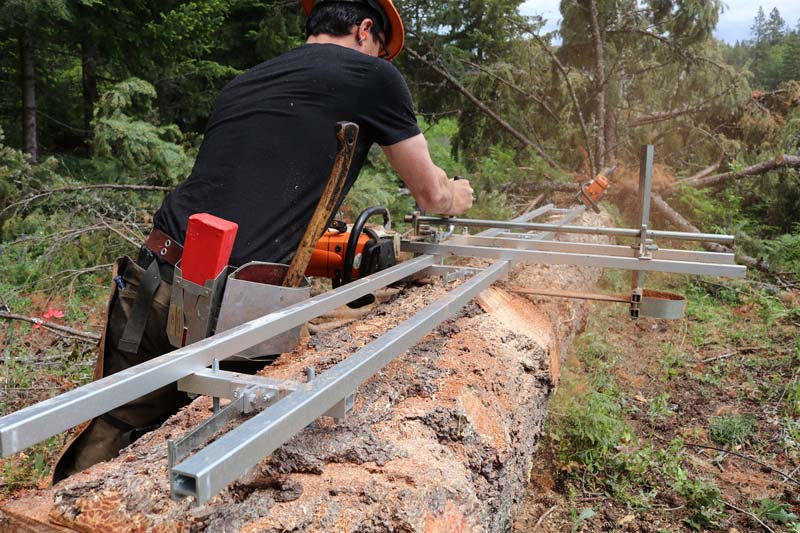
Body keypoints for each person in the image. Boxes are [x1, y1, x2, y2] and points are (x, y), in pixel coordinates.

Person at [52, 0, 473, 482]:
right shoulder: (371, 75)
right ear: (364, 31)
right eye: (379, 49)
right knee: (222, 455)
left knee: (115, 425)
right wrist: (456, 194)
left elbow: (247, 186)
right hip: (234, 308)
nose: (378, 59)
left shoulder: (249, 79)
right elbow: (430, 193)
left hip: (153, 276)